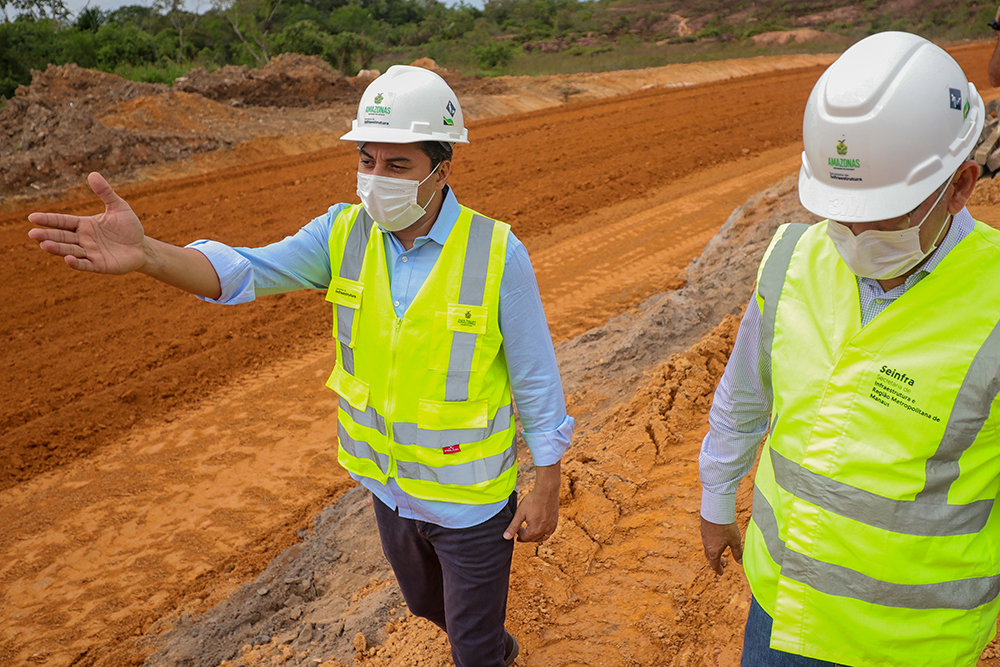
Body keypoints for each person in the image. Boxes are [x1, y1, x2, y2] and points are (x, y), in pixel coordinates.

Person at [27, 65, 574, 667]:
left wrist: (547, 481)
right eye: (367, 160)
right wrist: (149, 255)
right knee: (427, 608)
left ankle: (490, 650)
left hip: (470, 503)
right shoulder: (342, 234)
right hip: (389, 492)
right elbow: (242, 272)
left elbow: (535, 375)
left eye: (397, 166)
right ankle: (493, 641)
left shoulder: (497, 252)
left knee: (471, 649)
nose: (375, 179)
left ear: (442, 170)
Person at [698, 31, 1000, 667]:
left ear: (962, 184)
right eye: (842, 212)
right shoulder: (791, 258)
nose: (857, 234)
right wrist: (716, 496)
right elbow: (744, 395)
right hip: (780, 613)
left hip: (911, 644)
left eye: (884, 215)